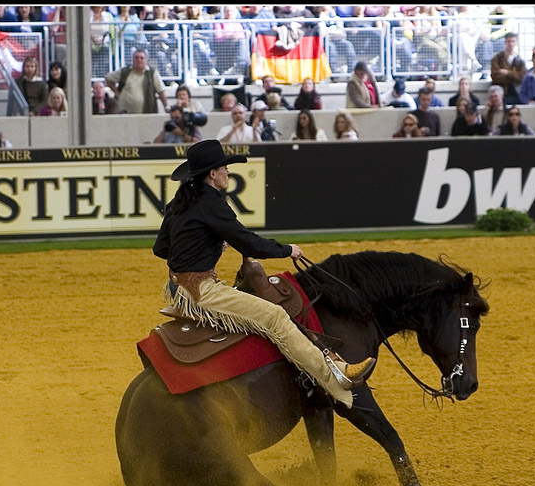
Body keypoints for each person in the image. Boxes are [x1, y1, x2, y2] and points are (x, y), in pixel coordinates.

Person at [152, 139, 376, 410]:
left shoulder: (180, 201)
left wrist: (206, 241)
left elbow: (161, 248)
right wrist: (288, 250)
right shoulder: (211, 203)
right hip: (202, 291)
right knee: (275, 316)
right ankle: (336, 376)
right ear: (212, 173)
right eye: (224, 168)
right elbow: (249, 243)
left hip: (179, 289)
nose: (227, 172)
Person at [105, 50, 169, 114]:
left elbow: (161, 91)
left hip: (147, 113)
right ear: (132, 59)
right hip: (125, 113)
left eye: (142, 58)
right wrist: (117, 93)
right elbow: (108, 78)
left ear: (146, 60)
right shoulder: (125, 72)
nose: (139, 60)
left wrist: (166, 107)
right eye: (136, 58)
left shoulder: (152, 73)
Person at [490, 32, 527, 105]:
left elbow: (523, 77)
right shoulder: (497, 58)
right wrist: (515, 76)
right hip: (502, 93)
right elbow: (495, 76)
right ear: (505, 42)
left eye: (513, 41)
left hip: (517, 93)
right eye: (509, 41)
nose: (511, 44)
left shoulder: (519, 60)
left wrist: (507, 73)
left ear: (516, 43)